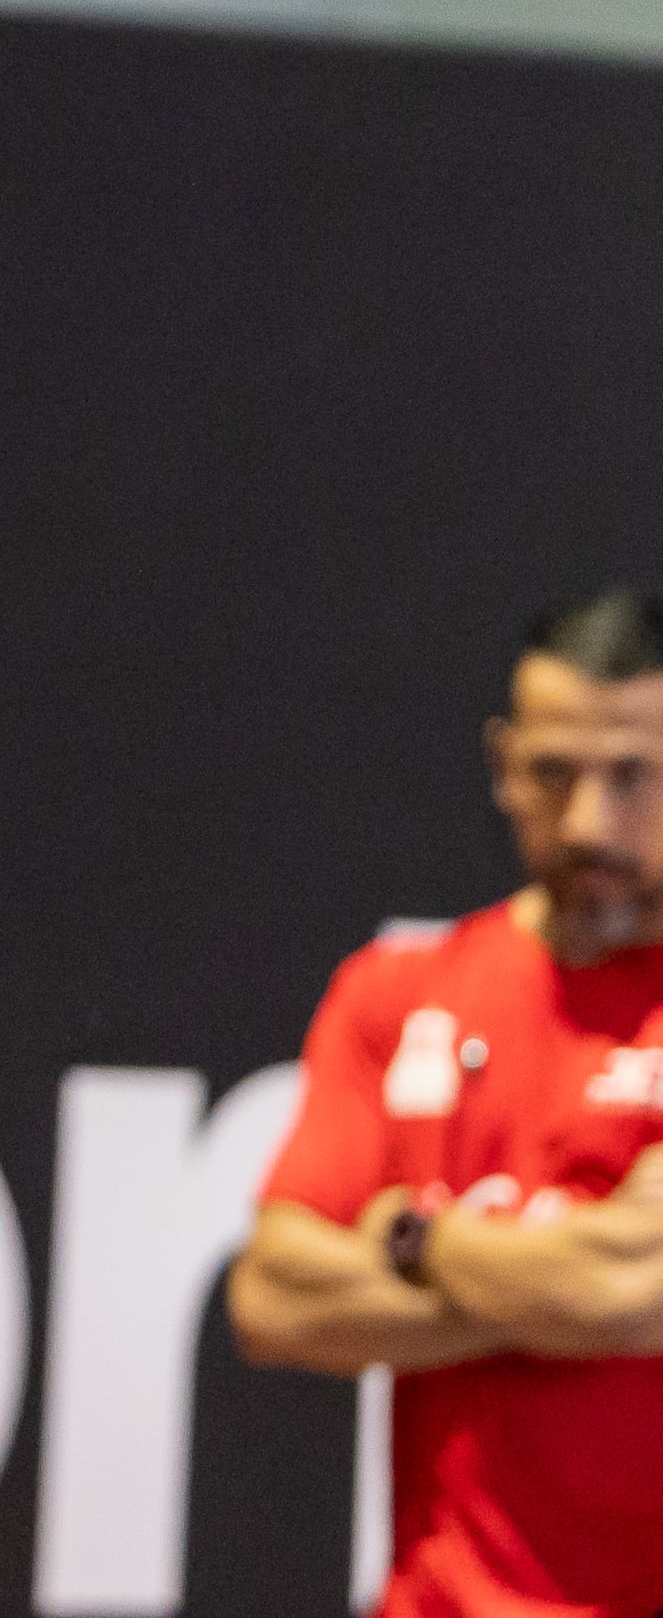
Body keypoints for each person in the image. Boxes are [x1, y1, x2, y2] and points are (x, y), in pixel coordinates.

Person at [227, 590, 663, 1618]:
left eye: (631, 775)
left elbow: (631, 1288)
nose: (586, 822)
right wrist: (549, 1278)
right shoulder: (396, 990)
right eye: (552, 773)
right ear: (501, 764)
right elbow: (272, 1299)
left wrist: (413, 1238)